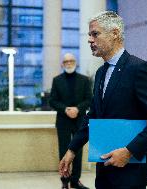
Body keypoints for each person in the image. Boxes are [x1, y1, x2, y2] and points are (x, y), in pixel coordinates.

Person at [59, 11, 147, 189]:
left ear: (114, 33)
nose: (89, 39)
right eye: (89, 35)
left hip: (131, 168)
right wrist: (72, 149)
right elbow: (94, 115)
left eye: (95, 34)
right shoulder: (100, 73)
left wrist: (129, 151)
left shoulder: (138, 69)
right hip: (104, 164)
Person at [49, 53, 92, 189]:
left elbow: (89, 99)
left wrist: (78, 109)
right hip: (63, 121)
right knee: (63, 151)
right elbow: (52, 101)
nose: (68, 63)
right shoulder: (57, 80)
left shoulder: (85, 80)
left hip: (79, 121)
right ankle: (64, 181)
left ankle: (75, 181)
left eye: (71, 61)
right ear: (62, 64)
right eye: (66, 61)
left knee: (78, 151)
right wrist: (66, 109)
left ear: (76, 63)